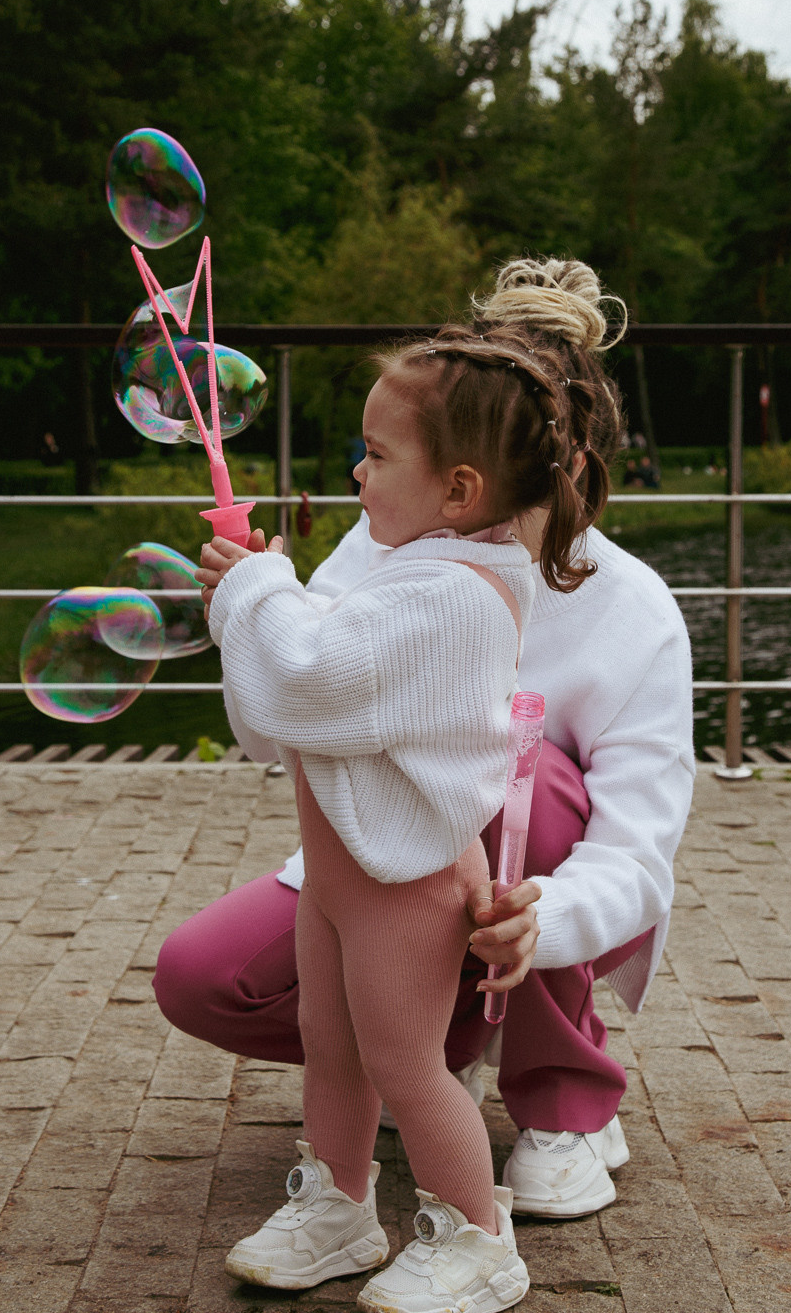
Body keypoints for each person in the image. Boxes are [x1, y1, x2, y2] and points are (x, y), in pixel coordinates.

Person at [154, 259, 694, 1235]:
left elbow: (637, 856)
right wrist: (253, 624)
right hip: (385, 870)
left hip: (513, 880)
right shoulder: (384, 540)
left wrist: (546, 918)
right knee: (206, 976)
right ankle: (430, 1050)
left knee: (522, 775)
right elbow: (280, 729)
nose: (365, 479)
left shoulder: (638, 610)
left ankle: (565, 1091)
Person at [188, 322, 613, 1311]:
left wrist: (256, 586)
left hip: (405, 883)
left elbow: (314, 674)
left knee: (405, 1064)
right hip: (342, 878)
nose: (356, 473)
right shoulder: (407, 562)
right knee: (328, 1041)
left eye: (377, 457)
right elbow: (305, 664)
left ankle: (479, 1239)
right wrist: (255, 589)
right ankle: (338, 1208)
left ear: (459, 491)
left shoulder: (456, 597)